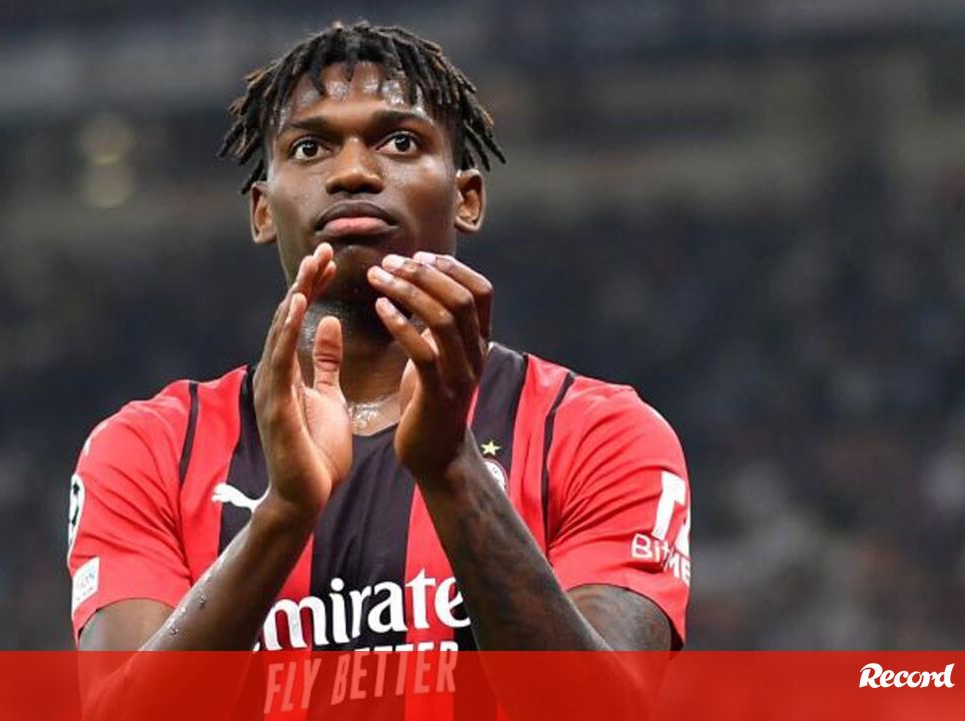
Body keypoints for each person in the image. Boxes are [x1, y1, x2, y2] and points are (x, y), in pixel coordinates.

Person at [67, 18, 690, 694]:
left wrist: (452, 469)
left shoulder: (601, 434)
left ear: (466, 198)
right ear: (263, 211)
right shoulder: (150, 449)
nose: (354, 173)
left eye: (400, 142)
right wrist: (282, 515)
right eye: (309, 148)